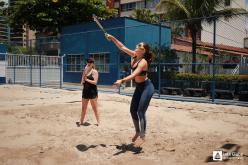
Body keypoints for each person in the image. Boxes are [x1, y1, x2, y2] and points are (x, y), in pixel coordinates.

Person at [106, 34, 154, 147]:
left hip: (147, 87)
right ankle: (137, 131)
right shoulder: (134, 56)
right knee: (133, 110)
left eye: (139, 47)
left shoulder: (143, 62)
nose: (136, 47)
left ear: (143, 51)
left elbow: (133, 75)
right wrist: (112, 38)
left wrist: (121, 80)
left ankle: (143, 135)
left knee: (140, 111)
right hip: (139, 87)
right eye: (137, 46)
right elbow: (122, 47)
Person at [79, 57, 100, 126]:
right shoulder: (85, 71)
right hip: (85, 91)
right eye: (88, 62)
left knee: (95, 108)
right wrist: (84, 74)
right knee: (83, 108)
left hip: (92, 91)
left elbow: (95, 82)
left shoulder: (95, 71)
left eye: (90, 62)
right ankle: (81, 121)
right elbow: (82, 82)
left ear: (93, 64)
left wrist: (87, 80)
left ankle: (98, 122)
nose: (88, 63)